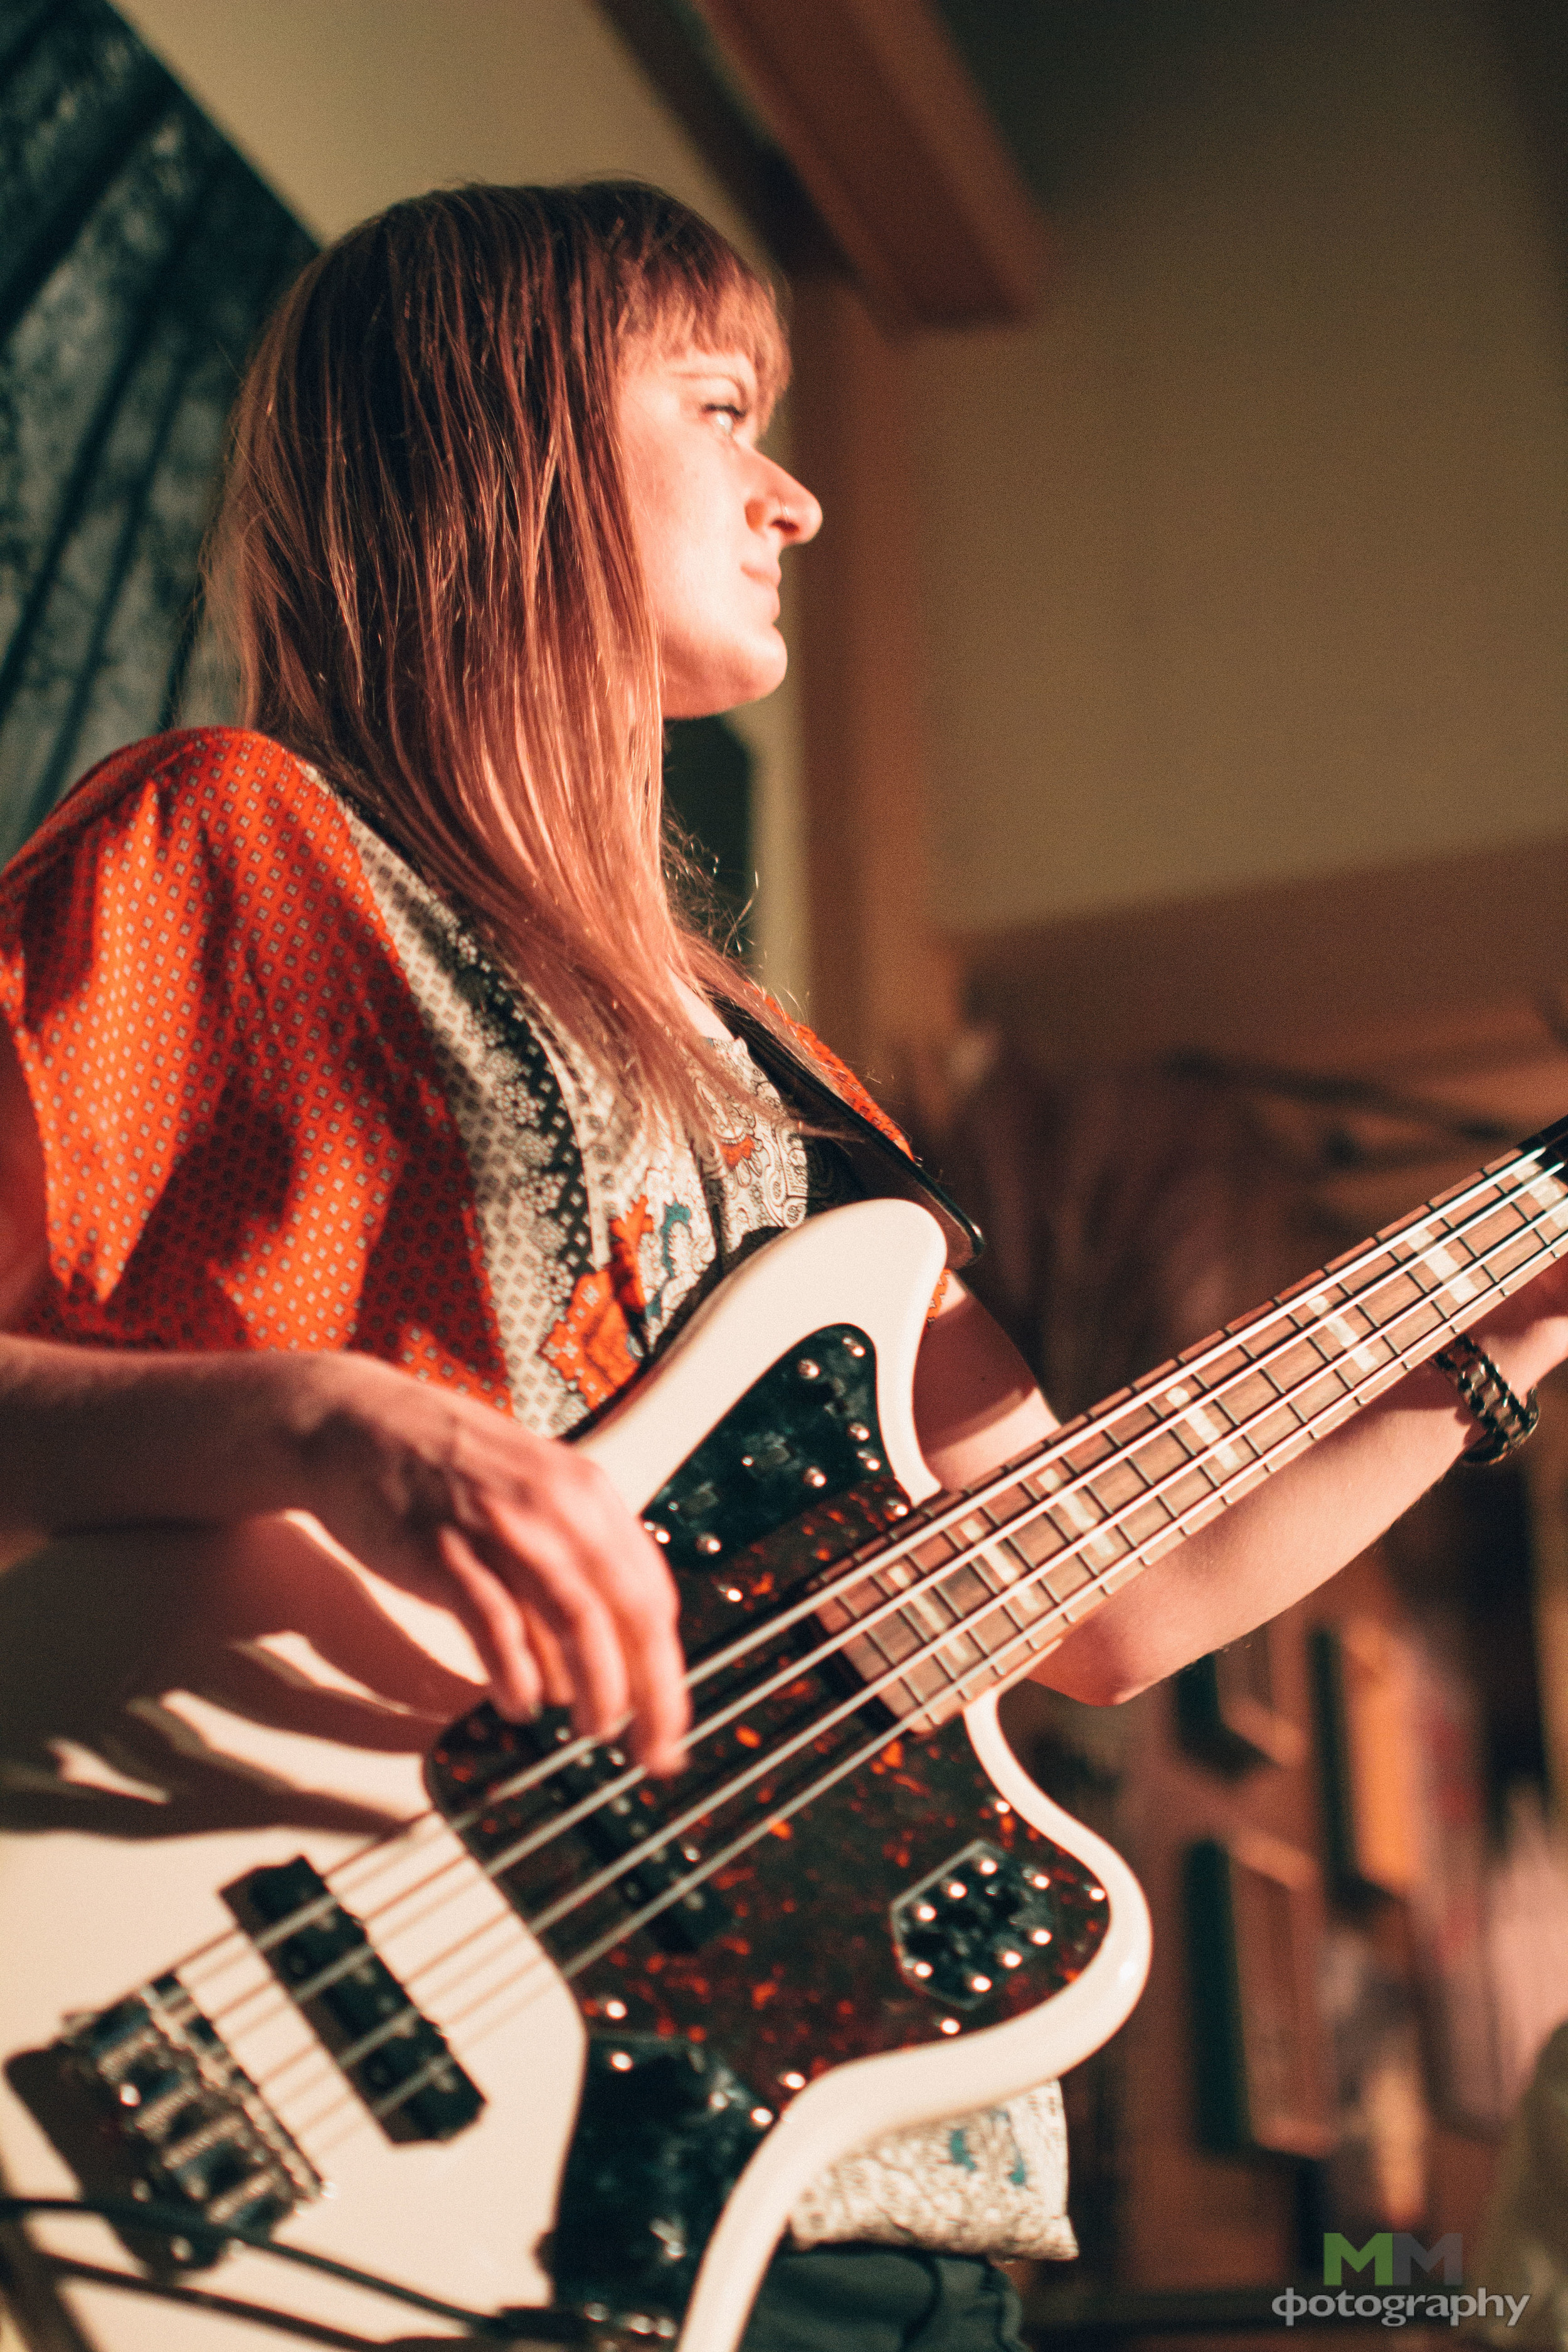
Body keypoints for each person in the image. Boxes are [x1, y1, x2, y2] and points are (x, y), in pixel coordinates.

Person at [0, 182, 1563, 2351]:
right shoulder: (233, 841)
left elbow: (1092, 1604)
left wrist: (1503, 1324)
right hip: (421, 2144)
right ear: (509, 439)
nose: (800, 494)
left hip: (886, 2204)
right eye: (724, 405)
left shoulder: (784, 1075)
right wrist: (313, 1415)